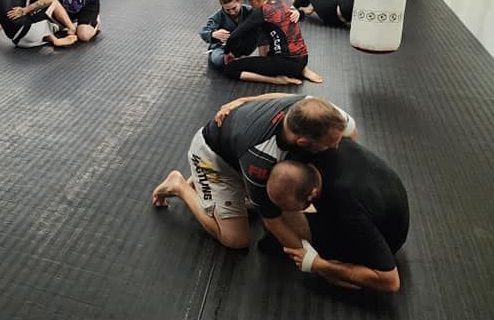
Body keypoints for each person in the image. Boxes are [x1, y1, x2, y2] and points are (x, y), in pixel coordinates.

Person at [151, 94, 357, 250]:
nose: (336, 147)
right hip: (214, 158)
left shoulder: (312, 109)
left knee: (321, 166)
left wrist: (242, 100)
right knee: (235, 239)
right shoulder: (260, 157)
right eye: (330, 144)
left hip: (239, 146)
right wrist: (312, 261)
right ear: (302, 141)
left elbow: (280, 96)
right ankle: (180, 186)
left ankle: (214, 188)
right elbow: (272, 221)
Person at [267, 141, 408, 292]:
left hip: (390, 234)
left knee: (300, 233)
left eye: (290, 208)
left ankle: (333, 269)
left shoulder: (346, 207)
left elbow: (391, 281)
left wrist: (318, 264)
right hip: (382, 191)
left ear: (312, 194)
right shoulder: (316, 144)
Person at [222, 0, 323, 85]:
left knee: (230, 69)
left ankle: (276, 80)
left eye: (251, 2)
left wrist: (227, 53)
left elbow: (233, 37)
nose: (251, 6)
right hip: (303, 59)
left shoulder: (262, 12)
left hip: (287, 64)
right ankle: (302, 70)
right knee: (264, 28)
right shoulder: (281, 4)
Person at [200, 0, 254, 69]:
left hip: (242, 46)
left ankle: (237, 60)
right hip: (222, 47)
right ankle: (236, 61)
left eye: (234, 8)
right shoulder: (218, 16)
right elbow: (203, 32)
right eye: (227, 10)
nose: (232, 12)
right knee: (217, 60)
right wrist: (213, 34)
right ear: (222, 6)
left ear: (239, 1)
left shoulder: (249, 11)